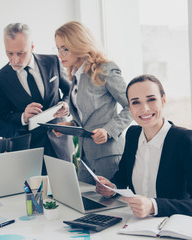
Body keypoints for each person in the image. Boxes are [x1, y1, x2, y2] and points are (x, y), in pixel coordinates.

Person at [95, 74, 192, 218]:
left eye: (151, 99)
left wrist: (153, 206)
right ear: (130, 107)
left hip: (171, 225)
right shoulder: (133, 134)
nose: (144, 109)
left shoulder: (184, 139)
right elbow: (123, 176)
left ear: (163, 100)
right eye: (135, 102)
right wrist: (112, 188)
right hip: (136, 222)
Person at [53, 21, 132, 185]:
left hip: (108, 154)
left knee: (112, 205)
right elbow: (86, 118)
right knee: (85, 204)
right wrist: (69, 125)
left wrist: (108, 130)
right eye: (58, 48)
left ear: (79, 44)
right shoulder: (76, 76)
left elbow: (132, 105)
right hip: (85, 156)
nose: (60, 54)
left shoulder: (105, 69)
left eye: (65, 49)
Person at [0, 23, 74, 174]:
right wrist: (22, 116)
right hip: (29, 150)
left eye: (20, 53)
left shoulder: (53, 62)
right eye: (9, 53)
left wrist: (66, 104)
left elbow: (70, 90)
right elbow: (1, 116)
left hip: (60, 143)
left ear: (32, 47)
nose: (14, 60)